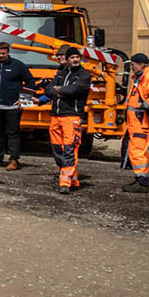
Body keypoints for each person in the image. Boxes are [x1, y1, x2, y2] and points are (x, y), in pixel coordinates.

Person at [46, 45, 92, 194]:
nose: (75, 60)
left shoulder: (84, 75)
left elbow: (74, 90)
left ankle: (65, 182)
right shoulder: (61, 73)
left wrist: (58, 90)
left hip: (72, 116)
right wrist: (59, 91)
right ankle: (73, 179)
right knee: (57, 148)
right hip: (56, 116)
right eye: (72, 57)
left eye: (77, 57)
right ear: (67, 59)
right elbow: (48, 90)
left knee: (69, 149)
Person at [0, 42, 36, 170]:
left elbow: (30, 81)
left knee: (12, 133)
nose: (1, 56)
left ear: (8, 53)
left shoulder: (18, 65)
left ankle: (14, 160)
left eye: (3, 54)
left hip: (13, 107)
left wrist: (24, 99)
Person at [121, 52, 149, 193]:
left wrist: (144, 105)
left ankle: (142, 181)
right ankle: (140, 178)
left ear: (141, 64)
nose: (132, 67)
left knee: (137, 150)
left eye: (133, 64)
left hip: (141, 120)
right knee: (136, 149)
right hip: (135, 121)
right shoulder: (140, 78)